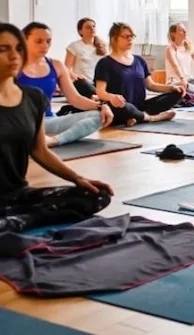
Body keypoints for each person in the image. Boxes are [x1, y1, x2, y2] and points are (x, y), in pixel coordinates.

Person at [0, 23, 113, 233]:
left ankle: (19, 221)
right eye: (3, 49)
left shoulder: (32, 98)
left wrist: (78, 178)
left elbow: (39, 150)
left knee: (96, 195)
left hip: (18, 194)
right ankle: (22, 220)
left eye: (18, 48)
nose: (14, 55)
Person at [18, 23, 114, 146]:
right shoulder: (12, 66)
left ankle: (54, 140)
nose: (45, 45)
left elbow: (75, 99)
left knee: (99, 116)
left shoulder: (56, 65)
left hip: (48, 121)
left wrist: (101, 106)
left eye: (48, 41)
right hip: (21, 122)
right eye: (38, 41)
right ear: (24, 40)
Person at [95, 23, 183, 126]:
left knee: (177, 94)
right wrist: (112, 97)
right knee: (124, 107)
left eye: (132, 36)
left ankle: (136, 117)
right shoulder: (105, 63)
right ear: (114, 39)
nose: (130, 39)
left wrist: (171, 88)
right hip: (120, 107)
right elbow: (100, 92)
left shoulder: (139, 60)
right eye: (126, 36)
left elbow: (151, 85)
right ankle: (152, 118)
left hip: (140, 106)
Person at [64, 17, 106, 98]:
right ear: (80, 31)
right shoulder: (74, 46)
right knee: (80, 83)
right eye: (88, 27)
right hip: (84, 83)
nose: (92, 29)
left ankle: (98, 97)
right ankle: (100, 97)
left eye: (93, 26)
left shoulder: (103, 46)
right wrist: (75, 76)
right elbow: (66, 68)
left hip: (99, 83)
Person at [165, 22, 194, 94]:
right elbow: (175, 65)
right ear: (173, 33)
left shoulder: (189, 47)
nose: (185, 31)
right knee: (183, 85)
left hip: (189, 80)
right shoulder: (170, 48)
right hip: (176, 81)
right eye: (181, 30)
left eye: (185, 29)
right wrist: (182, 79)